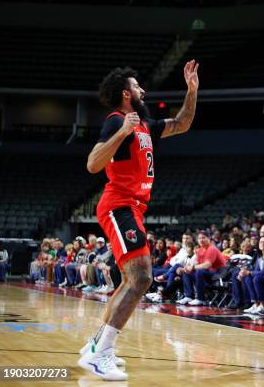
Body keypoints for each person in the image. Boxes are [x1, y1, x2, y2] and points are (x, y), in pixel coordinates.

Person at [78, 60, 199, 381]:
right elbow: (92, 163)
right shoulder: (116, 121)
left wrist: (192, 90)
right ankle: (100, 353)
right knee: (143, 278)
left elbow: (183, 123)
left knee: (130, 281)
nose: (143, 90)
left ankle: (95, 347)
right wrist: (122, 132)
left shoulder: (146, 126)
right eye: (137, 86)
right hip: (118, 205)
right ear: (126, 94)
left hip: (134, 209)